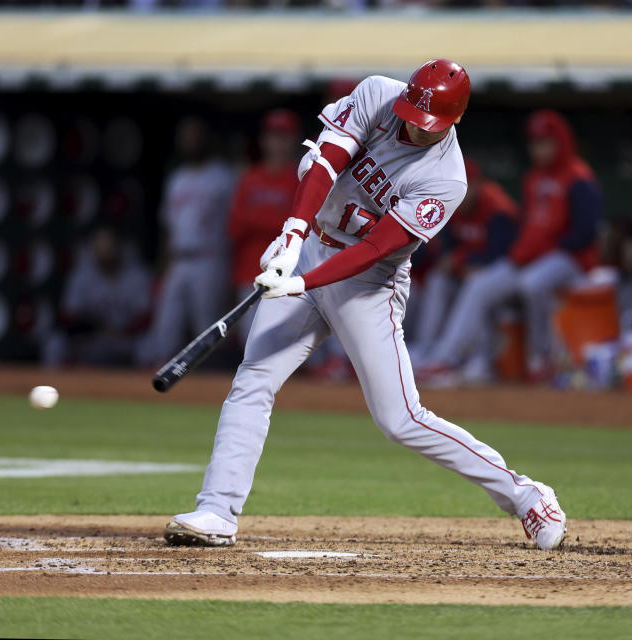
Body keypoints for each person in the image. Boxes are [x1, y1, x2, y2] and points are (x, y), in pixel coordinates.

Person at [162, 59, 566, 551]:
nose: (414, 128)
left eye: (427, 124)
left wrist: (302, 282)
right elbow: (328, 159)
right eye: (411, 116)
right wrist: (293, 236)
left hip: (369, 284)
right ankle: (217, 510)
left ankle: (527, 496)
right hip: (312, 247)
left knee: (400, 420)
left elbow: (375, 249)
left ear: (453, 120)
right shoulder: (377, 94)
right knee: (253, 379)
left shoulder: (447, 180)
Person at [418, 109, 601, 383]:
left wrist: (544, 248)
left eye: (545, 143)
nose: (539, 150)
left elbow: (586, 234)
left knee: (532, 284)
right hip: (529, 259)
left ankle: (542, 358)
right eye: (535, 143)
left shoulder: (579, 178)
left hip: (569, 259)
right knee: (479, 285)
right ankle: (446, 359)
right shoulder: (533, 179)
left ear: (561, 142)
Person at [140, 117, 235, 365]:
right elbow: (169, 227)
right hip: (178, 260)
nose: (190, 142)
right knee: (167, 326)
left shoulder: (223, 176)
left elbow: (233, 227)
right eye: (185, 137)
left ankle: (209, 385)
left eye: (195, 136)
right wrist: (162, 268)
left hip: (209, 257)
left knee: (208, 327)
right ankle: (160, 386)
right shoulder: (177, 178)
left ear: (206, 139)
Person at [407, 157, 519, 365]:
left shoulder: (498, 208)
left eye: (467, 185)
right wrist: (455, 262)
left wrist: (462, 261)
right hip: (469, 270)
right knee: (437, 280)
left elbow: (500, 253)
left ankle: (445, 358)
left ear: (478, 184)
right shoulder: (451, 203)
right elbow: (447, 248)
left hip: (504, 269)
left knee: (476, 283)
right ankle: (425, 349)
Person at [227, 110, 301, 343]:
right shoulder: (250, 177)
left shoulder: (300, 176)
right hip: (250, 273)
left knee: (291, 346)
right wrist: (276, 223)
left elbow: (302, 229)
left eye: (283, 136)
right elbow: (234, 227)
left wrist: (257, 221)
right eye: (272, 136)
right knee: (251, 345)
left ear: (293, 140)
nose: (277, 143)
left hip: (289, 274)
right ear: (263, 140)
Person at [42, 227, 151, 367]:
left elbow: (147, 318)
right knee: (54, 343)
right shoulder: (82, 276)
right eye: (100, 245)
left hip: (126, 339)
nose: (104, 251)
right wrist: (96, 328)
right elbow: (67, 317)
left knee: (149, 346)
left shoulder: (137, 276)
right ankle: (60, 385)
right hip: (91, 339)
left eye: (109, 245)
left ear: (119, 247)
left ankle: (144, 388)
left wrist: (122, 332)